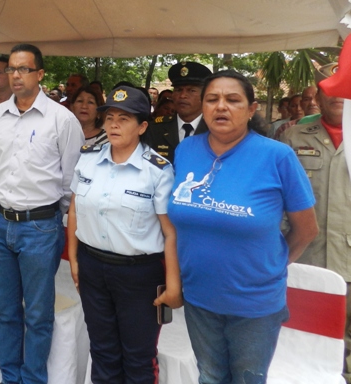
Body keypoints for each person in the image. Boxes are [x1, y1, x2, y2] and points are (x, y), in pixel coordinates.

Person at [168, 70, 318, 384]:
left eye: (232, 100)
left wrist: (270, 267)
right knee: (209, 376)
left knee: (248, 379)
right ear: (204, 106)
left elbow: (306, 230)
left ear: (251, 109)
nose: (221, 107)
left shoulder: (278, 156)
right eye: (212, 99)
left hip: (254, 305)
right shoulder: (186, 151)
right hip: (199, 298)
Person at [67, 86, 181, 383]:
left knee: (138, 356)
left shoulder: (157, 170)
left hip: (139, 275)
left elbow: (170, 233)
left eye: (125, 119)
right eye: (110, 117)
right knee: (102, 350)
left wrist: (172, 284)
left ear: (143, 126)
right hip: (93, 267)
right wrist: (76, 261)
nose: (114, 124)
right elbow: (75, 210)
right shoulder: (88, 158)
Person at [0, 44, 84, 384]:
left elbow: (71, 180)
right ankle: (9, 376)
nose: (15, 75)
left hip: (40, 227)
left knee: (39, 315)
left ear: (40, 74)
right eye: (12, 69)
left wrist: (53, 221)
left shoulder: (62, 119)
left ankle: (32, 379)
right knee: (4, 310)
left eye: (24, 69)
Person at [282, 64, 351, 380]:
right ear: (317, 96)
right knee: (305, 344)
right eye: (328, 87)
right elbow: (277, 200)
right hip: (306, 261)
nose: (336, 94)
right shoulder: (293, 137)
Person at [146, 62, 211, 163]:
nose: (183, 95)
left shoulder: (214, 129)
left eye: (191, 90)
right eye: (178, 90)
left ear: (205, 95)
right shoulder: (155, 129)